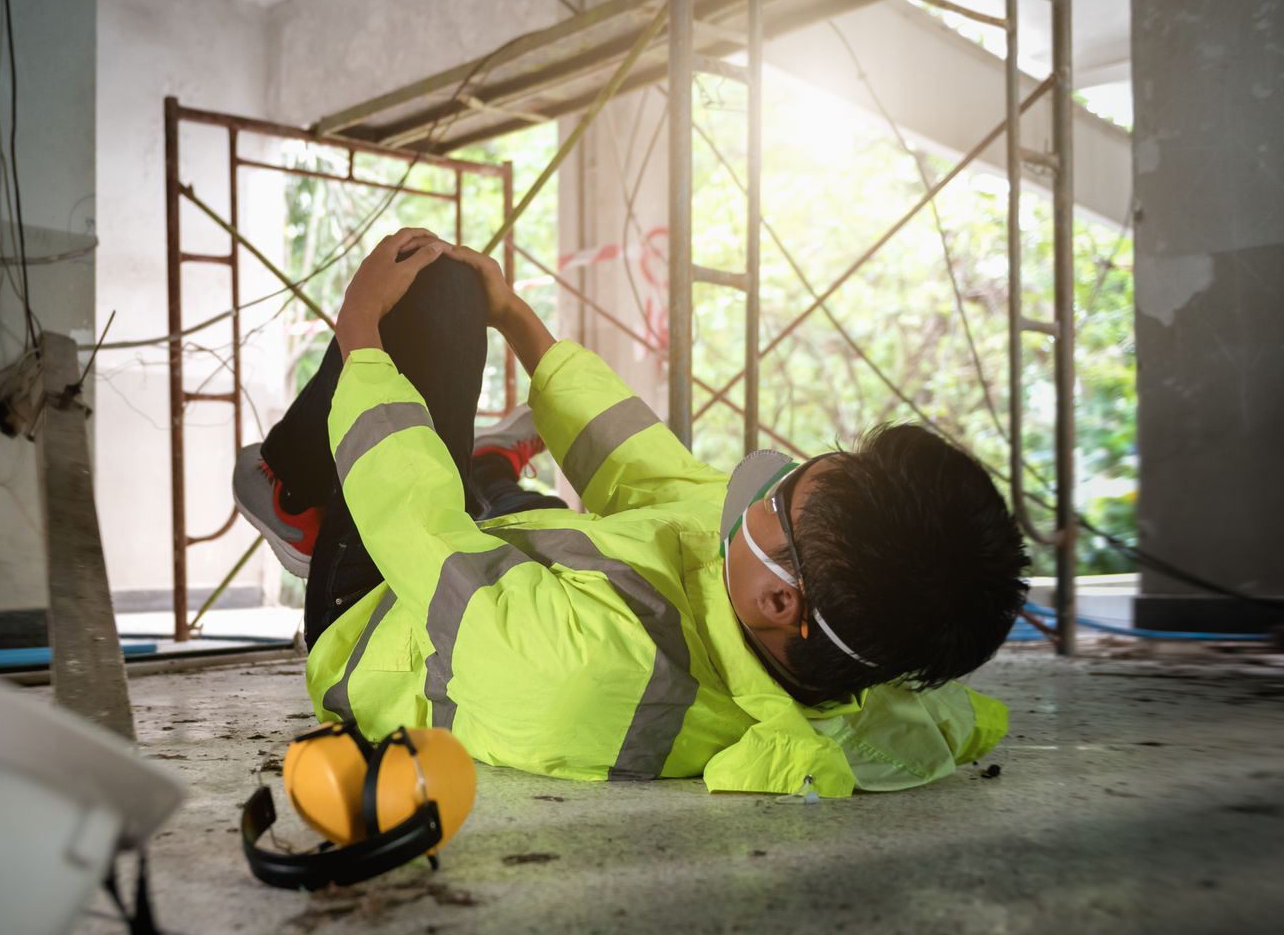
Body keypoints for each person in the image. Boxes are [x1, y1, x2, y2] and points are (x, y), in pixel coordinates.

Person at [233, 229, 1027, 795]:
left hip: (387, 606)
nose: (756, 488)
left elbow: (416, 526)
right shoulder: (866, 639)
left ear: (782, 600)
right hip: (511, 574)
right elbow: (657, 476)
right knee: (533, 506)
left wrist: (359, 339)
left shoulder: (583, 665)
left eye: (779, 495)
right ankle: (490, 473)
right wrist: (516, 318)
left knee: (436, 293)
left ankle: (294, 500)